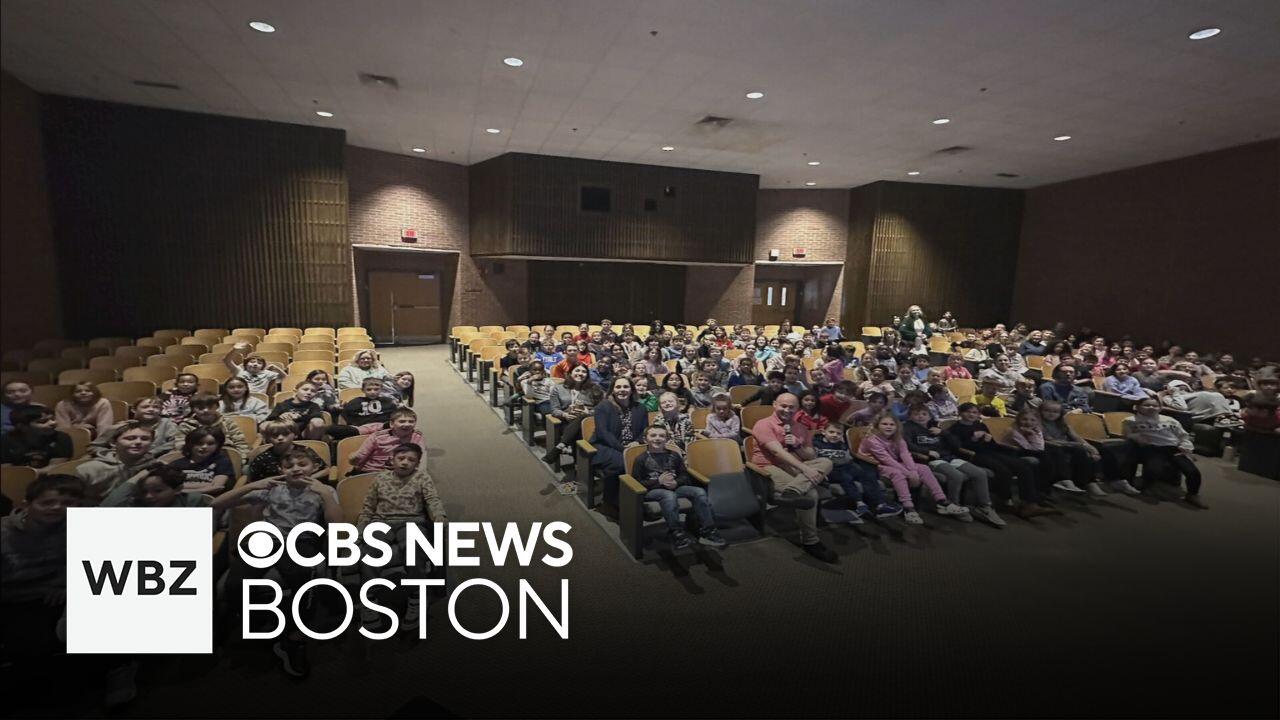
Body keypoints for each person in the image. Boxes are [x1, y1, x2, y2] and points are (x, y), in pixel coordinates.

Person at [213, 448, 341, 678]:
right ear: (281, 470)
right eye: (289, 466)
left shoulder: (323, 490)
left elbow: (337, 523)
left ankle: (294, 638)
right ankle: (256, 623)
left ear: (313, 467)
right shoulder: (273, 488)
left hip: (301, 540)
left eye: (302, 464)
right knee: (235, 584)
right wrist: (252, 485)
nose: (296, 469)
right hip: (267, 538)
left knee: (303, 583)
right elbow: (217, 503)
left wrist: (325, 494)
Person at [355, 443, 447, 632]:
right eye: (401, 458)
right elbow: (368, 506)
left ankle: (416, 595)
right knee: (371, 551)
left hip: (411, 521)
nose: (405, 463)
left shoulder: (422, 477)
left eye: (411, 460)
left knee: (414, 549)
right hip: (382, 521)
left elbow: (432, 500)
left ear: (417, 463)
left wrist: (439, 516)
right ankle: (370, 597)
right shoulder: (381, 478)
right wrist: (361, 530)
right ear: (392, 459)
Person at [1, 474, 84, 658]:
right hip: (15, 600)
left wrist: (66, 584)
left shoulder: (76, 528)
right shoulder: (5, 533)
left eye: (67, 503)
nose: (57, 508)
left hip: (57, 596)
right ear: (27, 504)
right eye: (47, 503)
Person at [749, 393, 837, 563]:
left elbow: (810, 455)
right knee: (810, 494)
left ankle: (794, 490)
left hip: (794, 466)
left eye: (791, 407)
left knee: (826, 462)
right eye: (783, 406)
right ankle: (811, 542)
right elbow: (777, 452)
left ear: (797, 408)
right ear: (774, 404)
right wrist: (805, 469)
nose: (787, 410)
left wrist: (797, 444)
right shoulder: (763, 424)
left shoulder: (801, 428)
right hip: (768, 467)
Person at [902, 405, 1004, 526]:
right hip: (931, 459)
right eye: (916, 414)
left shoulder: (935, 426)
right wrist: (927, 452)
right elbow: (907, 445)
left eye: (924, 414)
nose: (920, 417)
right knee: (957, 475)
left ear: (929, 416)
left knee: (980, 473)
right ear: (910, 416)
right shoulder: (908, 428)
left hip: (950, 456)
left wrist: (943, 432)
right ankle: (953, 505)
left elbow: (956, 444)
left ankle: (984, 506)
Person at [860, 412, 969, 525]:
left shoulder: (898, 438)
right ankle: (908, 508)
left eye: (892, 424)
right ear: (877, 426)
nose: (888, 427)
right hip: (872, 465)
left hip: (893, 462)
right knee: (898, 473)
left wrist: (912, 471)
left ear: (897, 426)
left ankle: (941, 501)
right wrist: (909, 474)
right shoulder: (872, 440)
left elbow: (905, 454)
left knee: (923, 468)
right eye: (884, 424)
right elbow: (886, 459)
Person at [628, 424, 727, 549]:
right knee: (669, 495)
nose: (657, 438)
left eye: (661, 436)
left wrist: (676, 483)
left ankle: (708, 531)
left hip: (675, 487)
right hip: (653, 490)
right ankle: (676, 533)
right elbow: (637, 482)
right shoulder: (641, 459)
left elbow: (684, 475)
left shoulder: (674, 455)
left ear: (667, 439)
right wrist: (659, 481)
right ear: (645, 439)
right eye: (653, 435)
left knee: (699, 492)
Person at [946, 403, 1053, 518]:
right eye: (968, 412)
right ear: (960, 413)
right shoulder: (955, 428)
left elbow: (992, 444)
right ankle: (1006, 499)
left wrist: (989, 440)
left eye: (974, 412)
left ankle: (1030, 502)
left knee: (1022, 465)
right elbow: (957, 447)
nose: (971, 415)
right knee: (1003, 470)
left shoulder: (980, 425)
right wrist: (973, 439)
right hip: (974, 455)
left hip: (990, 451)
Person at [1037, 400, 1136, 496]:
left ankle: (1116, 480)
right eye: (1047, 411)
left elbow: (1076, 437)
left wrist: (1091, 448)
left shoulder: (1062, 423)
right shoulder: (1039, 423)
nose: (1051, 414)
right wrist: (1081, 446)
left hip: (1070, 446)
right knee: (1080, 450)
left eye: (1055, 412)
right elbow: (1051, 440)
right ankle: (1087, 482)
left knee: (1105, 450)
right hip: (1054, 447)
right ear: (1041, 411)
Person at [1122, 397, 1205, 507]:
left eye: (1155, 406)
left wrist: (1186, 447)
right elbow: (1127, 434)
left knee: (1192, 471)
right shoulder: (1130, 420)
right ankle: (1147, 487)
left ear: (1160, 408)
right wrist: (1136, 436)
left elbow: (1183, 436)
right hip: (1151, 448)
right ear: (1137, 407)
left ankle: (1192, 495)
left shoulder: (1170, 420)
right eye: (1146, 405)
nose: (1151, 407)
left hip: (1173, 448)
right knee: (1153, 469)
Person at [812, 423, 901, 521]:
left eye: (838, 433)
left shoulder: (841, 445)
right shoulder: (817, 444)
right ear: (823, 432)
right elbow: (814, 459)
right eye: (831, 432)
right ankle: (859, 503)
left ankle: (880, 504)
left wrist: (845, 450)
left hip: (845, 466)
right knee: (846, 477)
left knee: (866, 474)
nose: (834, 435)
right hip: (831, 470)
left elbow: (848, 458)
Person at [590, 377, 649, 512]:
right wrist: (623, 449)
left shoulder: (640, 408)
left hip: (632, 446)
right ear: (612, 390)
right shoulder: (603, 407)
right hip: (606, 446)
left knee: (647, 462)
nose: (622, 390)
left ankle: (637, 501)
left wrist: (637, 442)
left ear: (631, 390)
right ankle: (610, 502)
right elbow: (603, 433)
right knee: (621, 464)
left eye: (626, 387)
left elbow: (644, 430)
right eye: (618, 387)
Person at [75, 421, 156, 503]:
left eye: (145, 439)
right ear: (113, 443)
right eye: (130, 438)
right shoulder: (88, 469)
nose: (138, 442)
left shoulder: (155, 468)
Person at [1009, 412, 1084, 495]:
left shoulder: (1037, 430)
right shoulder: (1015, 431)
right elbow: (1030, 448)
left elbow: (1040, 446)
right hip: (1020, 451)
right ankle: (1049, 486)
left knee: (1056, 449)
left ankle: (1064, 480)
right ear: (1018, 420)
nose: (1028, 422)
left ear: (1037, 422)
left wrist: (1034, 434)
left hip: (1035, 449)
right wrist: (1032, 434)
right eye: (1024, 419)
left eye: (1033, 420)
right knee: (1045, 455)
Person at [545, 365, 602, 466]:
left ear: (587, 375)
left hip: (588, 421)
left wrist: (589, 412)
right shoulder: (558, 388)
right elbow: (554, 410)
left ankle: (561, 446)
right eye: (577, 371)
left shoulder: (594, 388)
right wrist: (565, 414)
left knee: (582, 420)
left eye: (584, 372)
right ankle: (580, 467)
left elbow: (602, 408)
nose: (580, 373)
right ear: (570, 373)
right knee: (579, 434)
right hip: (566, 422)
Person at [91, 397, 179, 460]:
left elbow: (174, 443)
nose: (151, 409)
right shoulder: (122, 426)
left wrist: (151, 453)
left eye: (156, 407)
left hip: (154, 460)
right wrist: (110, 455)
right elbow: (95, 446)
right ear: (134, 410)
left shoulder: (167, 424)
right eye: (145, 407)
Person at [245, 421, 328, 482]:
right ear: (267, 438)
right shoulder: (262, 458)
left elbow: (326, 470)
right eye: (274, 435)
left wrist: (306, 479)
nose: (280, 438)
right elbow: (253, 481)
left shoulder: (306, 451)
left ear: (295, 434)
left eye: (285, 434)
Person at [350, 408, 425, 474]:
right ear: (392, 424)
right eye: (402, 421)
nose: (407, 424)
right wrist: (354, 459)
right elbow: (359, 458)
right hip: (372, 472)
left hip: (402, 474)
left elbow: (421, 458)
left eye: (411, 422)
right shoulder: (378, 437)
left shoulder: (417, 436)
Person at [101, 464, 213, 508]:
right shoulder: (138, 503)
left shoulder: (192, 501)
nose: (148, 496)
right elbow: (106, 508)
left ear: (177, 489)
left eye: (158, 491)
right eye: (144, 491)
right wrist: (136, 478)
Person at [165, 426, 234, 495]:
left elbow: (217, 487)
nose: (204, 447)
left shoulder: (222, 461)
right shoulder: (176, 464)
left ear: (218, 446)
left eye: (210, 444)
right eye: (199, 443)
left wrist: (181, 490)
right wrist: (206, 487)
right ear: (190, 444)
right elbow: (168, 487)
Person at [175, 394, 251, 455]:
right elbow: (180, 445)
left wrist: (242, 458)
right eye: (200, 408)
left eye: (210, 407)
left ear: (217, 407)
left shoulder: (228, 422)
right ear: (193, 409)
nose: (206, 410)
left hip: (226, 456)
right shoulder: (186, 425)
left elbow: (240, 442)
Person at [1, 405, 72, 469]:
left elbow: (56, 467)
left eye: (53, 419)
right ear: (22, 426)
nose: (52, 423)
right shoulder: (5, 440)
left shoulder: (61, 438)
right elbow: (6, 469)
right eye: (43, 421)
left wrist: (35, 473)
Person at [222, 345, 286, 394]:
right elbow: (227, 360)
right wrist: (234, 349)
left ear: (262, 367)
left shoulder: (267, 374)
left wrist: (275, 368)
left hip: (259, 400)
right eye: (252, 362)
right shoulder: (239, 371)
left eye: (259, 363)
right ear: (246, 364)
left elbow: (284, 377)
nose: (255, 364)